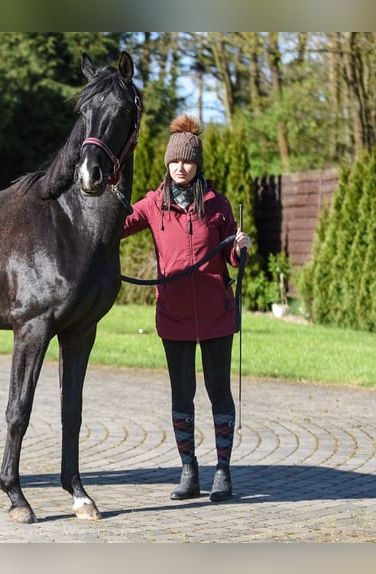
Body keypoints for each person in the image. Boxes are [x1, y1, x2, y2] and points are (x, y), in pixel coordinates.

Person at [122, 114, 251, 502]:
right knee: (182, 395)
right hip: (174, 316)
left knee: (218, 392)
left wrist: (240, 248)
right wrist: (107, 190)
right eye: (176, 160)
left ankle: (223, 471)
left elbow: (231, 257)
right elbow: (116, 225)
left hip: (216, 314)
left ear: (197, 164)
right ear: (167, 162)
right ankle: (189, 470)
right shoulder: (152, 204)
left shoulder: (217, 204)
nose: (181, 167)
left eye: (188, 160)